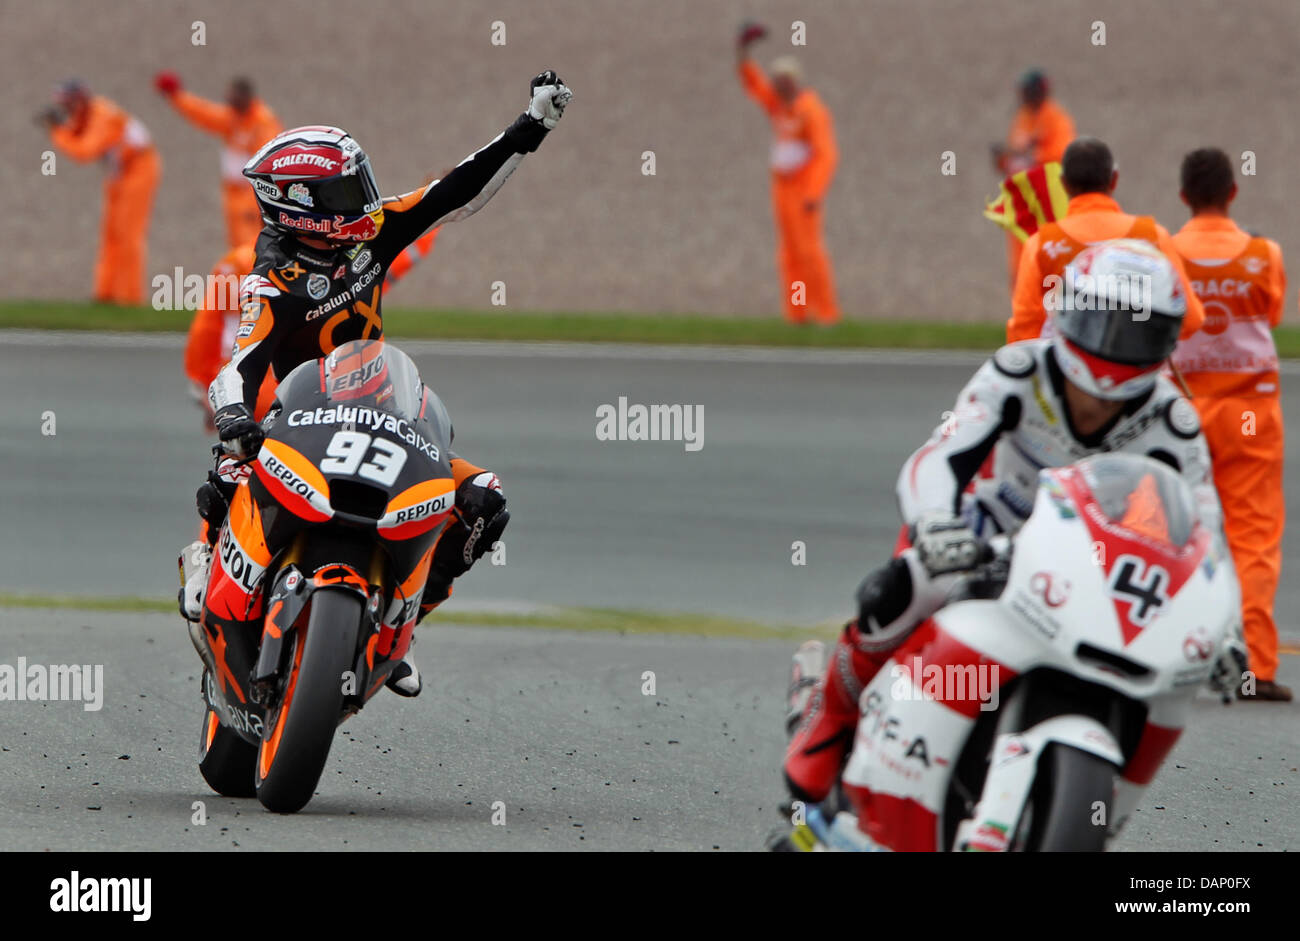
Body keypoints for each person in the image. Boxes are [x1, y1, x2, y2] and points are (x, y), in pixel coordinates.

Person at [784, 240, 1233, 804]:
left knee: (1166, 679)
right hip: (985, 538)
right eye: (1098, 323)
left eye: (1135, 334)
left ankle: (1103, 798)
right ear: (1068, 312)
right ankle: (830, 719)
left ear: (1165, 343)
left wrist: (1225, 624)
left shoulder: (1174, 421)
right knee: (895, 591)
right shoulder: (1018, 371)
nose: (1111, 350)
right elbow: (941, 454)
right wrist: (935, 525)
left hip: (1095, 569)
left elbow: (1204, 529)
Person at [179, 70, 572, 698]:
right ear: (300, 206)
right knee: (227, 471)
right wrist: (232, 421)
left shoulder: (372, 237)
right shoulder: (270, 283)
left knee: (484, 504)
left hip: (382, 414)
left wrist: (529, 129)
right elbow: (239, 365)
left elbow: (454, 193)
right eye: (342, 191)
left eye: (359, 183)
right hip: (297, 424)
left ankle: (401, 626)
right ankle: (208, 570)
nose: (361, 201)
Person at [1169, 148, 1290, 701]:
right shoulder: (1263, 253)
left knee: (1175, 530)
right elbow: (1271, 314)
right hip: (1248, 412)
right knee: (1254, 536)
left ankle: (1168, 655)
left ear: (1183, 196)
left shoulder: (1165, 253)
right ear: (1233, 192)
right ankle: (1256, 668)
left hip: (1182, 412)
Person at [1008, 137, 1205, 342]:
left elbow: (1024, 331)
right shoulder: (1153, 238)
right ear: (1114, 179)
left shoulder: (1041, 244)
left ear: (1064, 184)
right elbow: (1190, 319)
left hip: (1065, 372)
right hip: (1139, 369)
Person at [736, 22, 840, 325]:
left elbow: (826, 154)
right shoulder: (779, 106)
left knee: (810, 252)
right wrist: (743, 51)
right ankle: (797, 311)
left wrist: (813, 193)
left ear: (794, 81)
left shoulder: (811, 111)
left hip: (803, 188)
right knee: (789, 254)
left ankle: (826, 313)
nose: (777, 85)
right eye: (776, 80)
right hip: (782, 186)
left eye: (783, 80)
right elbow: (754, 85)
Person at [40, 79, 161, 305]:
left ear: (80, 100)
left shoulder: (102, 114)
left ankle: (130, 298)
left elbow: (84, 151)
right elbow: (78, 134)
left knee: (128, 234)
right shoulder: (87, 114)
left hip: (138, 169)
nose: (65, 109)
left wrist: (57, 132)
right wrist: (61, 127)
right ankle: (106, 294)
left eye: (67, 104)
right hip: (119, 172)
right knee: (112, 233)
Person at [153, 73, 283, 249]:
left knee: (251, 245)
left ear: (245, 96)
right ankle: (241, 275)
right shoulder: (234, 118)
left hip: (251, 195)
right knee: (238, 245)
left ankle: (252, 275)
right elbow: (204, 112)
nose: (228, 99)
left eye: (233, 95)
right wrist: (176, 96)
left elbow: (270, 162)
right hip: (234, 193)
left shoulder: (262, 122)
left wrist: (259, 199)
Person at [992, 69, 1076, 290]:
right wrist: (1003, 160)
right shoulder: (1023, 117)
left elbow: (1063, 153)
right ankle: (1023, 315)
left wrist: (1032, 156)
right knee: (1020, 266)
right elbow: (1016, 156)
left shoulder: (1055, 117)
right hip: (1024, 202)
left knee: (1049, 261)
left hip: (1047, 201)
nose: (1023, 97)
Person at [183, 242, 277, 430]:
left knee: (238, 455)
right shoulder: (332, 259)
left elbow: (207, 330)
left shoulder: (238, 261)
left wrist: (210, 386)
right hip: (300, 393)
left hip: (239, 391)